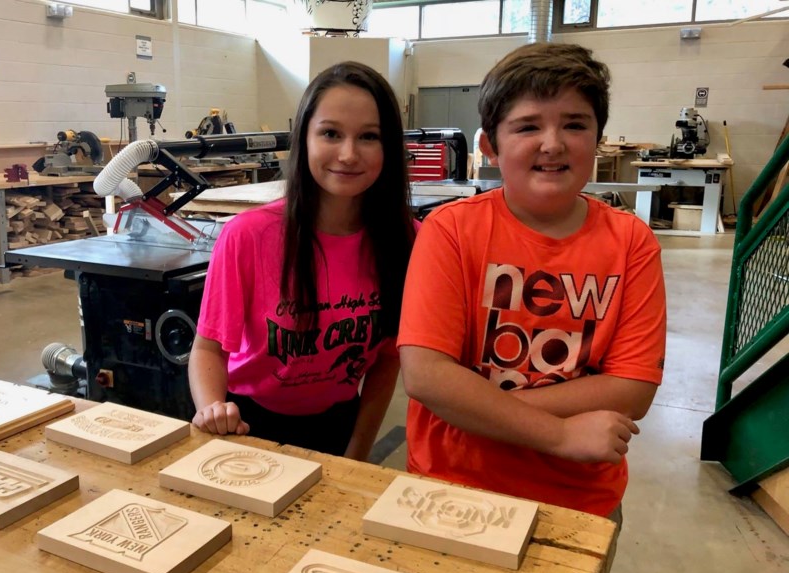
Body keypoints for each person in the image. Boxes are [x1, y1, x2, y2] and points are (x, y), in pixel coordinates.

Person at [398, 43, 667, 519]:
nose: (553, 143)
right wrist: (560, 433)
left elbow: (632, 389)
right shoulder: (452, 230)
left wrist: (480, 406)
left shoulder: (631, 243)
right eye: (527, 126)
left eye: (575, 124)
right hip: (454, 484)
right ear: (490, 147)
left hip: (578, 495)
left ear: (598, 138)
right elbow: (428, 376)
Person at [188, 61, 415, 461]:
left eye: (368, 136)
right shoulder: (248, 235)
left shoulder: (407, 239)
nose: (348, 154)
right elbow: (208, 349)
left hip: (339, 421)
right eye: (331, 133)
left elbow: (387, 359)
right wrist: (212, 410)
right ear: (304, 138)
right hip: (245, 422)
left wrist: (358, 450)